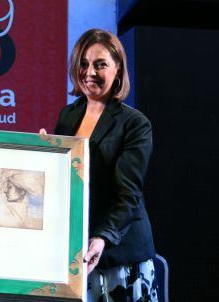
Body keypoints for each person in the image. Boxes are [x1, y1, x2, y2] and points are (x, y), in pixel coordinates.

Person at [53, 29, 158, 301]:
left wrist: (101, 238)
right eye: (84, 64)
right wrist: (46, 157)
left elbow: (128, 195)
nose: (90, 72)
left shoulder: (135, 124)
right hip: (78, 252)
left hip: (119, 257)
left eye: (100, 64)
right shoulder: (68, 116)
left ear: (118, 68)